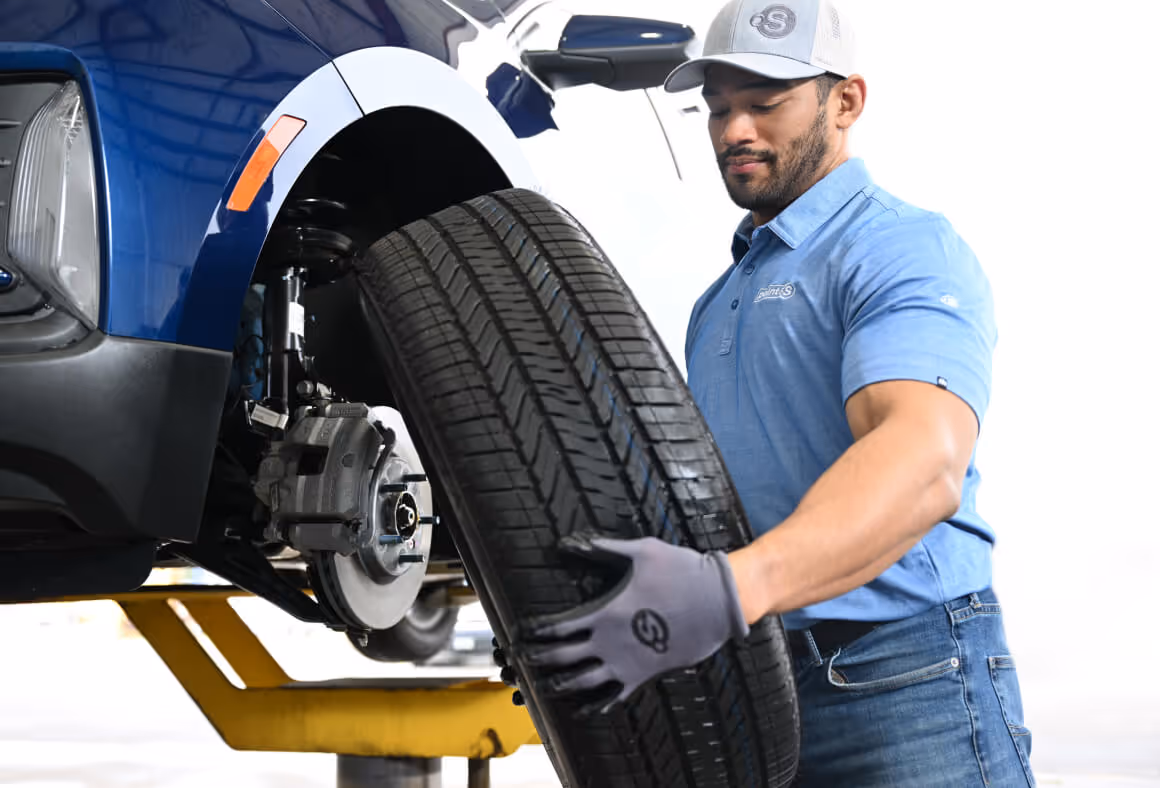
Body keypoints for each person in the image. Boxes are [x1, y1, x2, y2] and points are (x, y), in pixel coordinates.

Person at [513, 1, 1035, 785]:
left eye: (766, 103)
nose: (734, 132)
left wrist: (733, 587)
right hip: (760, 680)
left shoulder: (896, 245)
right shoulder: (718, 299)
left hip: (908, 677)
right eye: (718, 108)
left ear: (846, 102)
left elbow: (924, 461)